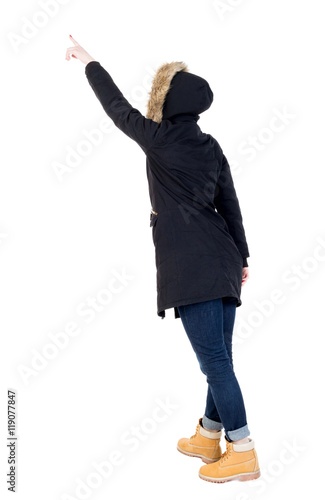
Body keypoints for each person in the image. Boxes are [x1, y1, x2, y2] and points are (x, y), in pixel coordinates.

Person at [65, 35, 260, 483]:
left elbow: (117, 107)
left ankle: (244, 449)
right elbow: (230, 204)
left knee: (215, 363)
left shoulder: (158, 138)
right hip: (224, 260)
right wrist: (243, 256)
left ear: (165, 101)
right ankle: (210, 435)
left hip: (193, 267)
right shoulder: (210, 145)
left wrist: (88, 60)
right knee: (220, 358)